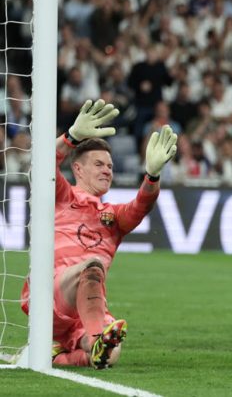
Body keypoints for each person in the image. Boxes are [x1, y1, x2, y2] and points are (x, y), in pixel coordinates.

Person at [20, 99, 178, 369]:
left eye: (111, 166)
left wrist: (152, 176)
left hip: (87, 308)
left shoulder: (114, 217)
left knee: (111, 353)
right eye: (99, 164)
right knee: (92, 266)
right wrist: (71, 137)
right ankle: (96, 338)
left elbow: (142, 205)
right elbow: (43, 167)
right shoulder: (60, 195)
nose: (107, 170)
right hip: (50, 295)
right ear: (78, 169)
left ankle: (61, 355)